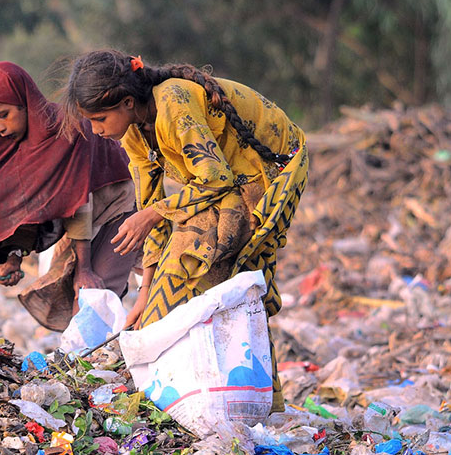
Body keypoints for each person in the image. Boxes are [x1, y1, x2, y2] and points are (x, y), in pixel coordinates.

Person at [62, 50, 308, 411]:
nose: (96, 131)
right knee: (210, 281)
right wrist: (145, 292)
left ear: (128, 102)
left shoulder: (174, 102)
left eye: (99, 119)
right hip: (227, 181)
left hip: (268, 172)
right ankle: (240, 400)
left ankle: (159, 393)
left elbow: (214, 178)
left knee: (204, 267)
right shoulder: (133, 134)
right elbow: (151, 210)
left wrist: (154, 216)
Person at [0, 61, 138, 330]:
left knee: (95, 290)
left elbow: (78, 201)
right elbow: (30, 209)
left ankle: (92, 364)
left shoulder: (67, 130)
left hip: (116, 209)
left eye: (3, 114)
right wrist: (14, 256)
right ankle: (83, 363)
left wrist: (84, 268)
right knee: (73, 294)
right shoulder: (19, 149)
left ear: (25, 102)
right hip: (80, 224)